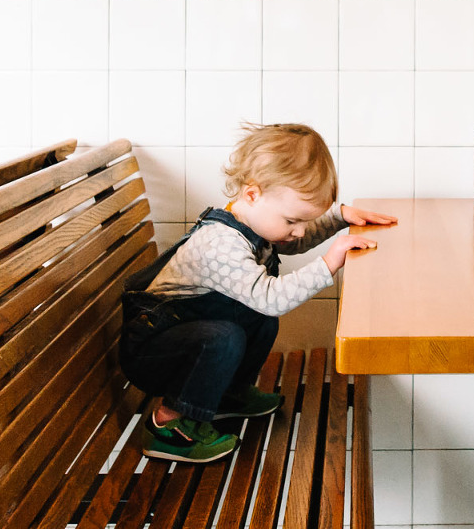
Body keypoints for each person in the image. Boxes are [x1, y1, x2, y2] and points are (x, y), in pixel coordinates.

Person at [120, 123, 396, 463]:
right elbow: (271, 297)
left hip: (185, 339)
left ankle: (227, 395)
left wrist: (339, 217)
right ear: (252, 194)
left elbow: (292, 243)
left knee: (259, 322)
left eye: (304, 222)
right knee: (226, 335)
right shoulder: (221, 243)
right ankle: (168, 427)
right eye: (293, 220)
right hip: (152, 352)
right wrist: (328, 264)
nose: (298, 232)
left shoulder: (254, 221)